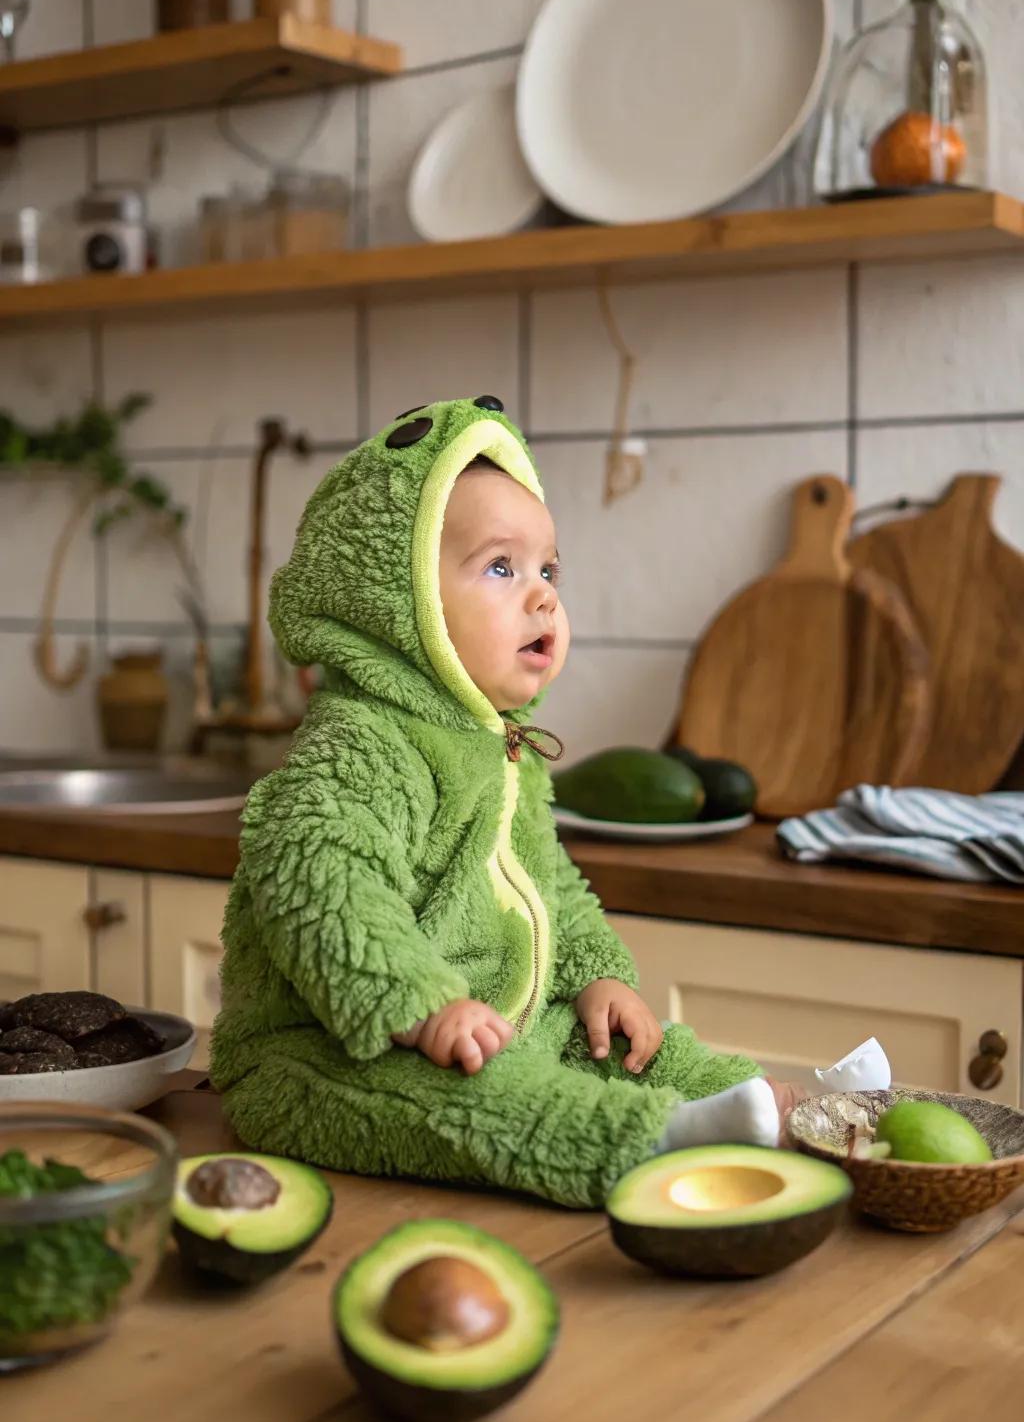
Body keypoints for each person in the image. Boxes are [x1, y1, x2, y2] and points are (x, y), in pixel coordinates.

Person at [210, 396, 803, 1209]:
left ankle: (773, 1106)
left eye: (549, 569)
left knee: (620, 1044)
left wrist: (598, 978)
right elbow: (316, 879)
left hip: (486, 1025)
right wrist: (421, 1007)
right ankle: (643, 1143)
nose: (543, 597)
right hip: (328, 1052)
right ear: (399, 600)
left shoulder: (500, 747)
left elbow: (549, 883)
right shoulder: (364, 742)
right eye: (501, 567)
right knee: (485, 1102)